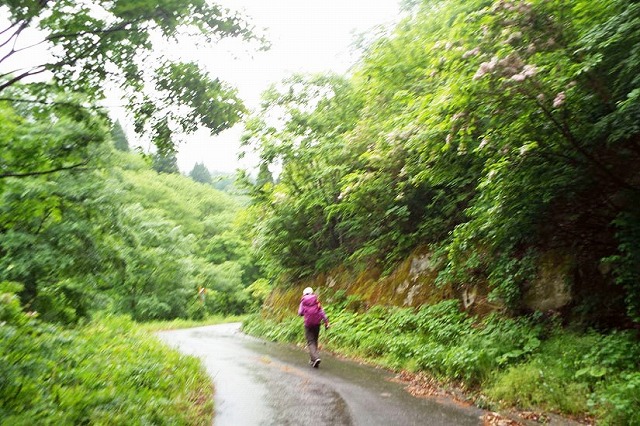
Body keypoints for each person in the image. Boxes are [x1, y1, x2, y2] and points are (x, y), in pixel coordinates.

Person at [298, 287, 329, 368]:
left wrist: (304, 313)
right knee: (314, 340)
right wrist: (326, 322)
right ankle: (313, 360)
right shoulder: (316, 300)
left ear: (304, 294)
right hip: (317, 324)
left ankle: (316, 358)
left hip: (308, 324)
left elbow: (300, 313)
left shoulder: (303, 301)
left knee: (310, 342)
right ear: (312, 292)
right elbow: (321, 312)